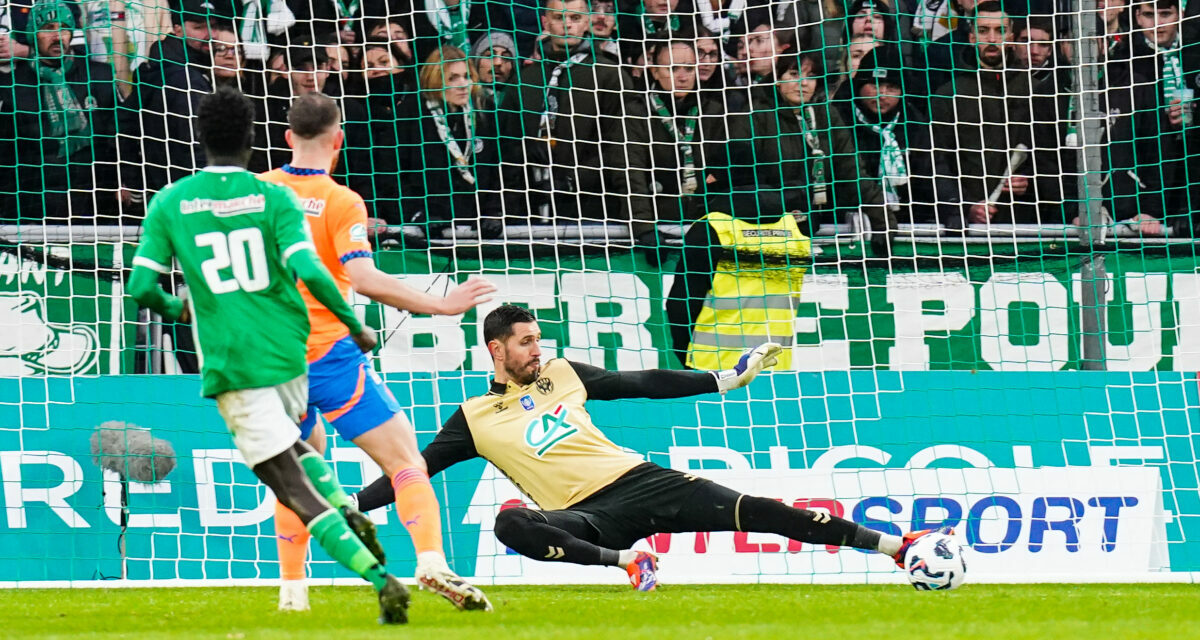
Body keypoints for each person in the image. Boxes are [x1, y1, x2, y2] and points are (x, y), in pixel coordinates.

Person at [350, 304, 950, 590]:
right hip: (586, 518)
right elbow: (410, 470)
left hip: (642, 481)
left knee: (759, 510)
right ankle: (630, 564)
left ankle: (899, 547)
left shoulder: (562, 372)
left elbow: (642, 384)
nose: (537, 349)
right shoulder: (473, 418)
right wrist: (348, 505)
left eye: (539, 340)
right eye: (526, 343)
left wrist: (723, 379)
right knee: (512, 526)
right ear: (496, 351)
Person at [125, 86, 409, 624]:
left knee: (290, 483)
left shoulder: (171, 201)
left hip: (237, 364)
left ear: (200, 139)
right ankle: (345, 506)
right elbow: (312, 271)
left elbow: (142, 288)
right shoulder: (273, 197)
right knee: (300, 455)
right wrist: (354, 323)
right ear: (253, 141)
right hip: (291, 355)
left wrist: (183, 311)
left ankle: (380, 579)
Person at [259, 92, 496, 612]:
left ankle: (292, 592)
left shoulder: (256, 193)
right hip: (331, 358)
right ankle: (431, 560)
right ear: (338, 140)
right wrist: (442, 304)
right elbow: (363, 278)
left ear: (286, 139)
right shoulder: (341, 201)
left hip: (271, 362)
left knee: (296, 467)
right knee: (405, 462)